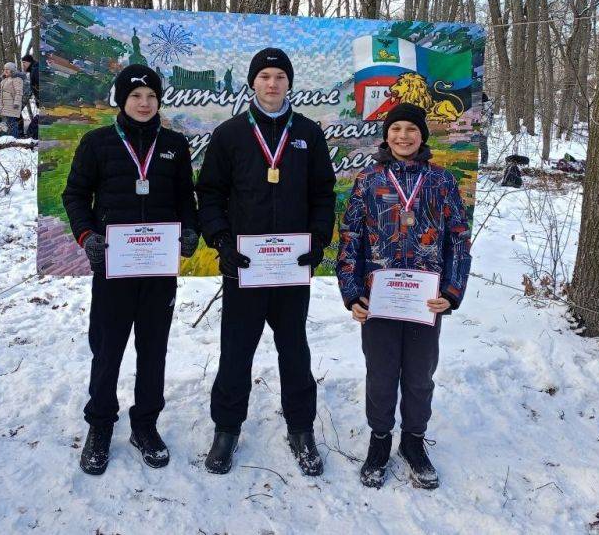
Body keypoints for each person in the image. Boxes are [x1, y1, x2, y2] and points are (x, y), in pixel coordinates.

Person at [196, 48, 336, 477]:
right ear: (252, 83)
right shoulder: (231, 133)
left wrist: (318, 240)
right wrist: (221, 238)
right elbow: (211, 192)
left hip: (292, 266)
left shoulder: (308, 134)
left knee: (294, 349)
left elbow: (323, 194)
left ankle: (301, 428)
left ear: (289, 83)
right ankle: (226, 429)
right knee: (236, 350)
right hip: (245, 265)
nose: (272, 83)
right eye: (265, 76)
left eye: (279, 76)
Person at [62, 65, 200, 475]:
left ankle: (145, 425)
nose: (144, 104)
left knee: (153, 349)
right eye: (136, 97)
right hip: (113, 267)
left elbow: (184, 198)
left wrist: (190, 229)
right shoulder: (97, 143)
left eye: (151, 97)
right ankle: (100, 425)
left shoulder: (174, 144)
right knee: (107, 350)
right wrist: (88, 238)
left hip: (158, 271)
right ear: (122, 100)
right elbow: (74, 196)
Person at [337, 102, 472, 490]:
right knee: (380, 373)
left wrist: (452, 291)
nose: (403, 137)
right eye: (396, 129)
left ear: (422, 136)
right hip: (378, 299)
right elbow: (351, 240)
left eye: (411, 130)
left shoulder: (441, 181)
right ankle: (380, 441)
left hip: (426, 301)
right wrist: (352, 294)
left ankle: (413, 441)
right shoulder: (368, 181)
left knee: (418, 375)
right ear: (386, 135)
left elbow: (458, 240)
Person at [0, 62, 24, 138]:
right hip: (4, 106)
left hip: (12, 105)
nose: (5, 71)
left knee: (11, 123)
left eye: (7, 69)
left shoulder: (17, 79)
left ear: (12, 70)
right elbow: (1, 94)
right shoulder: (5, 80)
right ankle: (3, 139)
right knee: (3, 124)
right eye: (4, 69)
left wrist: (16, 103)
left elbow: (19, 92)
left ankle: (14, 139)